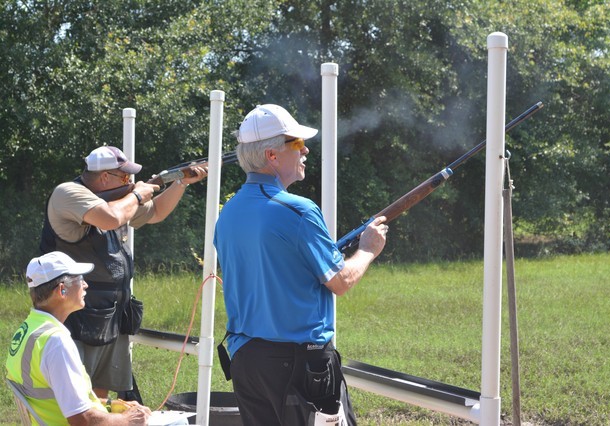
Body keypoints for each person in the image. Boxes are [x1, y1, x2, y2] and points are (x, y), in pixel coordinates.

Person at [214, 104, 388, 425]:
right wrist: (368, 249)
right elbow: (340, 281)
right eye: (296, 143)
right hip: (298, 365)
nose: (305, 149)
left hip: (248, 361)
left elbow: (273, 268)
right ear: (271, 155)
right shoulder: (299, 211)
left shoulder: (229, 212)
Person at [39, 145, 207, 399]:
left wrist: (180, 183)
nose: (130, 182)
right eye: (125, 177)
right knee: (74, 396)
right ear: (105, 177)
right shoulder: (68, 193)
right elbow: (109, 218)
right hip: (74, 312)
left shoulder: (119, 201)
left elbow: (156, 213)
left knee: (101, 396)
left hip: (109, 313)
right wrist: (138, 194)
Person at [5, 251, 152, 425]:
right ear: (62, 290)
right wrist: (126, 420)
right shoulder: (56, 342)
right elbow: (82, 420)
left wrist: (113, 405)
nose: (85, 285)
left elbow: (65, 399)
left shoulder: (27, 330)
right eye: (79, 279)